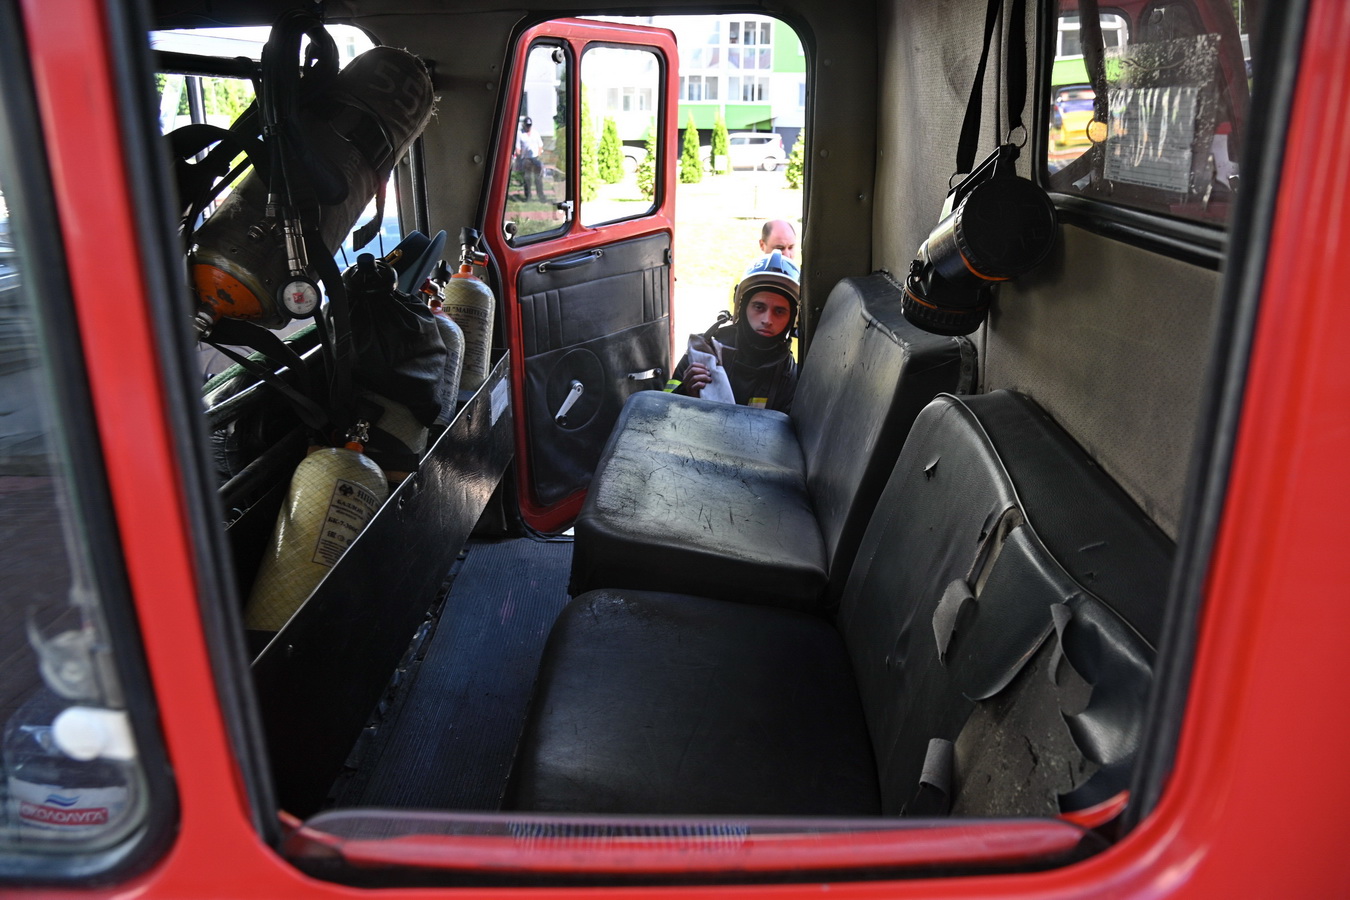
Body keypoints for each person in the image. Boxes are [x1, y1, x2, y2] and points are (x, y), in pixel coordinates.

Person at [666, 250, 800, 412]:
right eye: (759, 307)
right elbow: (663, 411)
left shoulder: (790, 374)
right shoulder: (703, 355)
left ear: (792, 318)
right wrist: (685, 393)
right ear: (742, 308)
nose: (767, 320)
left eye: (779, 311)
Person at [515, 117, 545, 201]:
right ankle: (528, 196)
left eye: (529, 125)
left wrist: (539, 155)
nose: (528, 127)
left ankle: (541, 196)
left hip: (535, 157)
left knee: (538, 178)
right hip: (526, 158)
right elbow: (518, 148)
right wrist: (519, 158)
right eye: (527, 125)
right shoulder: (520, 134)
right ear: (524, 125)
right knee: (527, 178)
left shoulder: (535, 133)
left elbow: (540, 145)